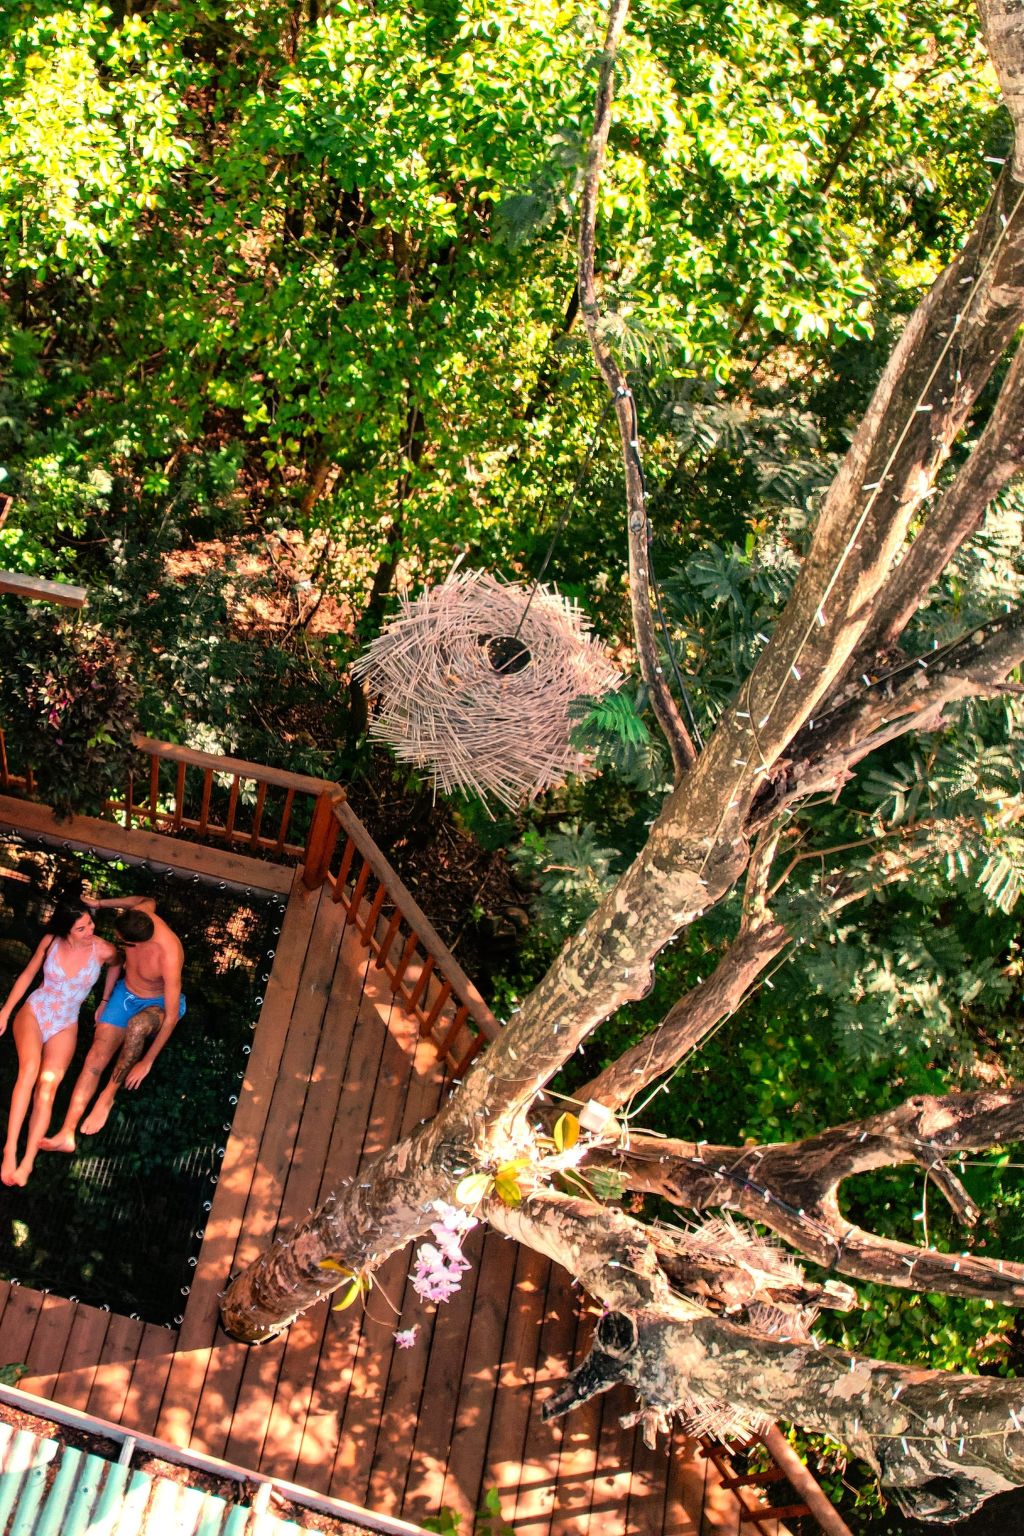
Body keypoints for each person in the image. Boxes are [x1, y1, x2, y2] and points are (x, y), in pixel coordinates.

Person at [41, 894, 186, 1154]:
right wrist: (99, 904)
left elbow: (173, 1015)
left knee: (138, 1027)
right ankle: (66, 1132)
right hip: (125, 995)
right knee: (96, 1056)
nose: (118, 942)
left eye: (122, 941)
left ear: (135, 942)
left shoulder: (169, 953)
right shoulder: (142, 914)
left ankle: (108, 1095)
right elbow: (147, 898)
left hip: (158, 1004)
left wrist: (148, 1061)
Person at [0, 886, 119, 1186]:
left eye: (90, 923)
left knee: (48, 1087)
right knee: (28, 1071)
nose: (90, 930)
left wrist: (104, 1001)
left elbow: (118, 966)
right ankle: (10, 1150)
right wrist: (5, 1011)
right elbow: (28, 975)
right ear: (66, 930)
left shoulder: (104, 950)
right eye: (81, 928)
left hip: (66, 1021)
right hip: (36, 1010)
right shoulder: (51, 941)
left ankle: (27, 1162)